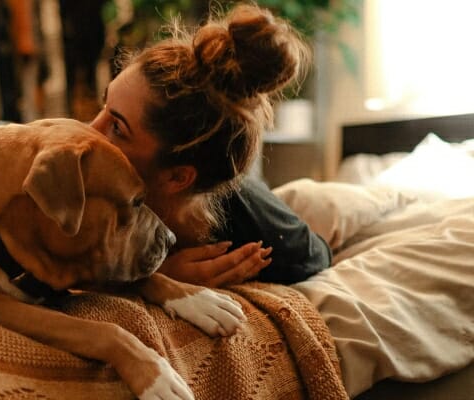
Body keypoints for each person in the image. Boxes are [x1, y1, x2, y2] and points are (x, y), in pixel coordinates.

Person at [90, 3, 331, 287]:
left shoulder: (254, 229)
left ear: (177, 176)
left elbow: (316, 256)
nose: (90, 129)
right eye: (105, 105)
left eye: (117, 127)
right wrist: (154, 277)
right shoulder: (79, 179)